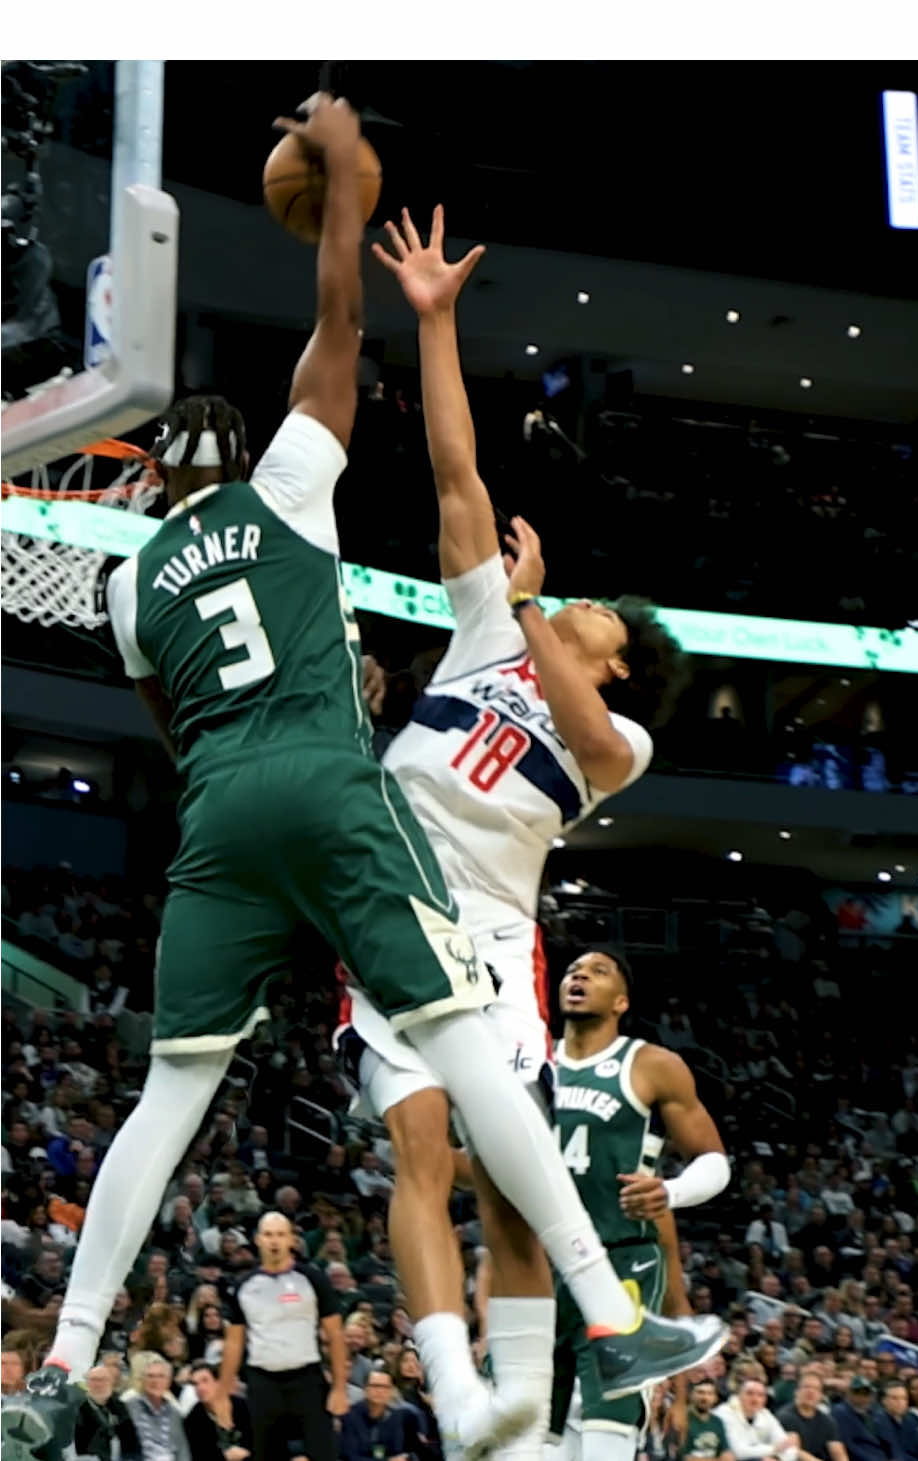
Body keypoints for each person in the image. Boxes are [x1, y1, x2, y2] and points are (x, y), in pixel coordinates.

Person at [6, 104, 706, 1461]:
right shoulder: (306, 498)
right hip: (349, 819)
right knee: (440, 1121)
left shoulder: (137, 587)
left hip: (262, 828)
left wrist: (526, 612)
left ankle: (67, 1361)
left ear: (145, 479)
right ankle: (588, 1335)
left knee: (185, 1101)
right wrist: (373, 240)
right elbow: (405, 413)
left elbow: (173, 723)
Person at [344, 203, 724, 1455]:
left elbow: (585, 724)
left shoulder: (620, 738)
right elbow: (459, 474)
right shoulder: (488, 629)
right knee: (422, 1149)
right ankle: (461, 1393)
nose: (573, 609)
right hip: (392, 895)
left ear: (617, 665)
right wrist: (435, 323)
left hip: (501, 945)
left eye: (593, 621)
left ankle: (515, 1427)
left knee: (513, 1194)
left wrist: (528, 613)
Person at [547, 948, 730, 1460]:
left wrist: (669, 1191)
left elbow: (714, 1161)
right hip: (540, 1264)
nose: (579, 975)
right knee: (527, 1431)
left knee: (609, 1419)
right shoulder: (530, 1060)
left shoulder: (652, 1065)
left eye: (597, 971)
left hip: (620, 1261)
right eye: (572, 970)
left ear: (621, 1002)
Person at [212, 1212, 345, 1461]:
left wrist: (339, 1387)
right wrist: (222, 1394)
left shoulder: (312, 1279)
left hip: (307, 1379)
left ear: (292, 1240)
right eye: (268, 1235)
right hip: (263, 1383)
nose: (274, 1241)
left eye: (281, 1235)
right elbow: (234, 1343)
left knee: (323, 1453)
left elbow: (336, 1335)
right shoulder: (243, 1286)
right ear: (258, 1239)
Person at [340, 1365, 415, 1460]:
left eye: (385, 1387)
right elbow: (350, 1456)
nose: (379, 1391)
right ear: (365, 1389)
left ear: (391, 1391)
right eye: (375, 1386)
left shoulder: (397, 1417)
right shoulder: (350, 1416)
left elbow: (400, 1452)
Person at [714, 1378, 800, 1461]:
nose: (755, 1399)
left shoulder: (765, 1414)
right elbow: (738, 1452)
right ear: (739, 1395)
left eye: (760, 1395)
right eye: (749, 1393)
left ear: (765, 1400)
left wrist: (777, 1458)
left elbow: (791, 1450)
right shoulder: (724, 1413)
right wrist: (775, 1448)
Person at [123, 1356, 191, 1461]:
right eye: (150, 1376)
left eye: (161, 1376)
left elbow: (183, 1451)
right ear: (142, 1380)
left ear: (169, 1381)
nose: (155, 1381)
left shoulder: (175, 1413)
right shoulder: (128, 1408)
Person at [182, 1362, 252, 1461]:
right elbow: (197, 1455)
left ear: (218, 1382)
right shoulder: (192, 1420)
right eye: (195, 1384)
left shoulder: (242, 1406)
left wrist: (246, 1452)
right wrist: (224, 1457)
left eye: (205, 1381)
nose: (200, 1388)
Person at [74, 1364, 142, 1461]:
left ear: (111, 1383)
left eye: (103, 1380)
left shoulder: (121, 1407)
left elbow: (132, 1441)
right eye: (94, 1380)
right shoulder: (77, 1409)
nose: (98, 1384)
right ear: (87, 1383)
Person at [777, 1372, 849, 1461]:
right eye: (806, 1387)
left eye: (816, 1389)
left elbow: (838, 1452)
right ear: (796, 1391)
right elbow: (795, 1452)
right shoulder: (785, 1416)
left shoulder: (827, 1421)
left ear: (821, 1395)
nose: (810, 1391)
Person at [677, 1377, 736, 1461]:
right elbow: (686, 1458)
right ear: (691, 1395)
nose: (705, 1397)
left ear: (715, 1398)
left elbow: (727, 1454)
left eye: (710, 1393)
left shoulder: (717, 1422)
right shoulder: (682, 1420)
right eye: (700, 1392)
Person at [833, 1378, 887, 1461]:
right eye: (858, 1392)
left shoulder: (875, 1412)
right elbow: (849, 1446)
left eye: (866, 1393)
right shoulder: (840, 1412)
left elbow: (886, 1441)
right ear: (849, 1393)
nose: (863, 1397)